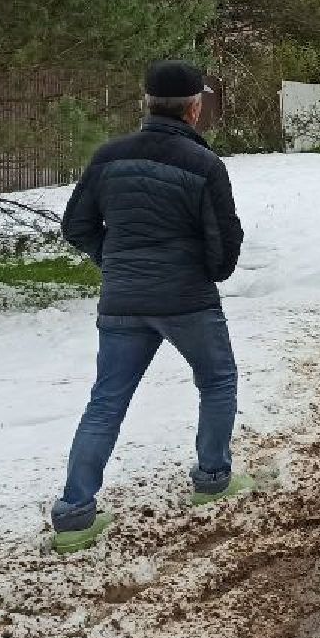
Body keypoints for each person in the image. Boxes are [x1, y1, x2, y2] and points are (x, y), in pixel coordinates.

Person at [47, 61, 249, 554]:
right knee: (217, 379)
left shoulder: (107, 156)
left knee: (106, 400)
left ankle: (75, 514)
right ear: (195, 108)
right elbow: (224, 249)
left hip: (123, 299)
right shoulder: (205, 166)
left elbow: (76, 225)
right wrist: (198, 268)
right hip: (186, 301)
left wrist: (114, 260)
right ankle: (213, 478)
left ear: (148, 102)